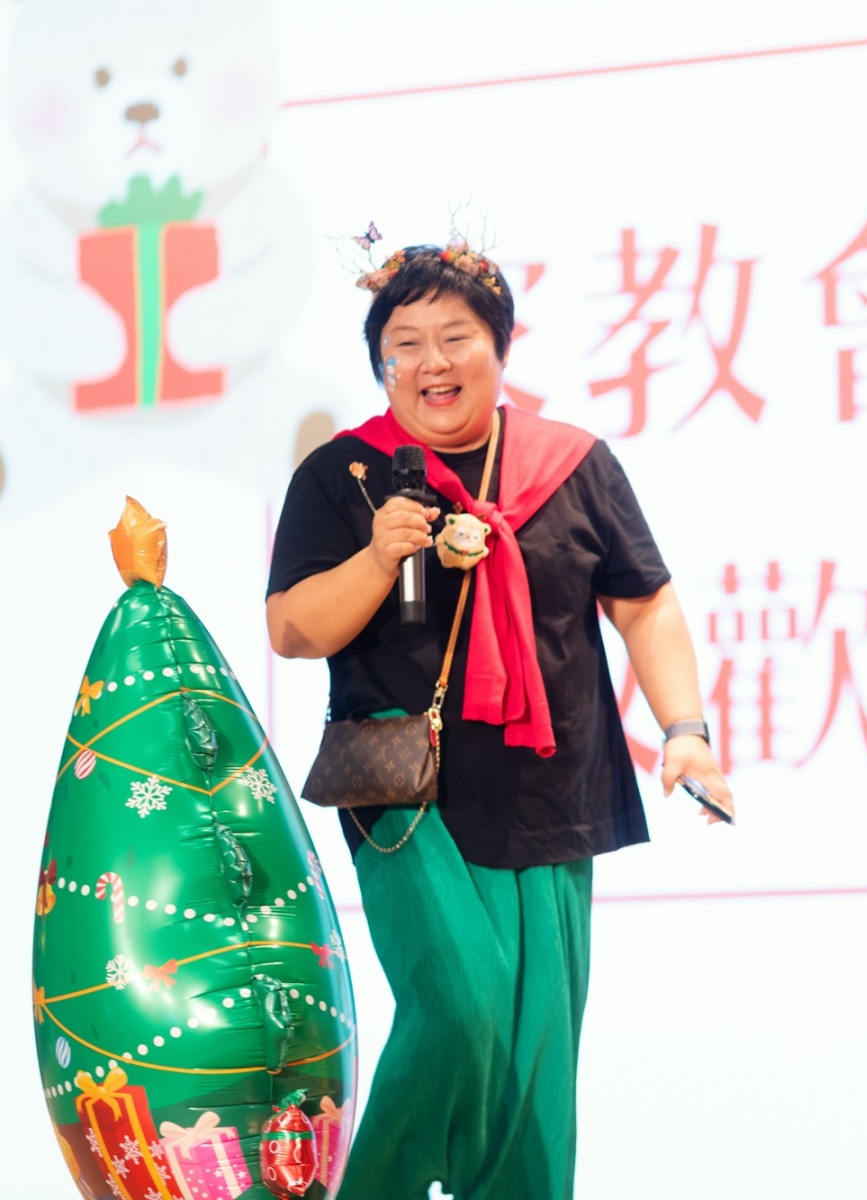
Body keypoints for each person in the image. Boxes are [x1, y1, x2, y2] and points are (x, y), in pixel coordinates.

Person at [265, 241, 732, 1200]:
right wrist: (379, 556)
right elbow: (292, 629)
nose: (431, 363)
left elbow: (645, 604)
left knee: (535, 1068)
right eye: (404, 345)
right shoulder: (343, 476)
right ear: (381, 365)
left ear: (501, 346)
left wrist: (686, 729)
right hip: (407, 791)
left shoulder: (572, 466)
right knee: (461, 1005)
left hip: (553, 783)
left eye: (455, 337)